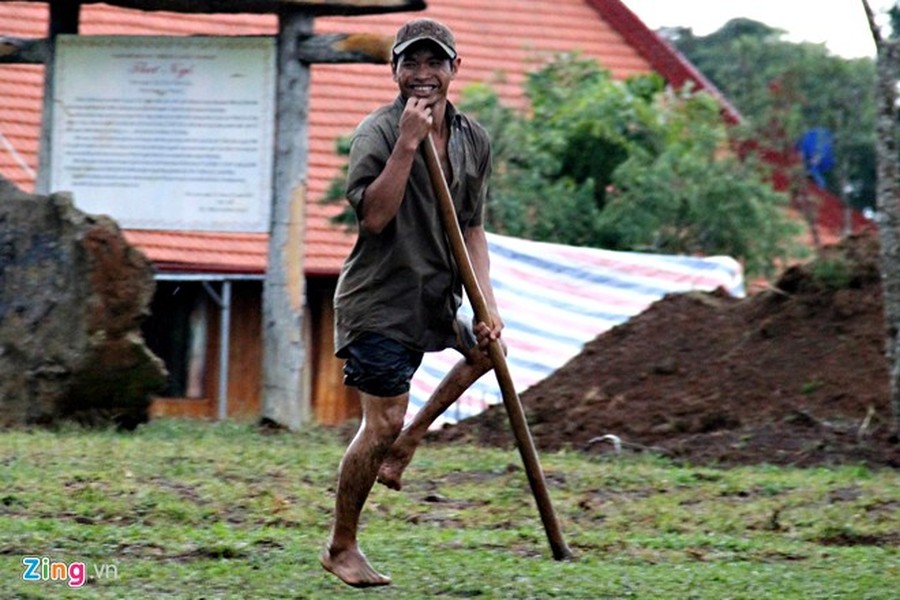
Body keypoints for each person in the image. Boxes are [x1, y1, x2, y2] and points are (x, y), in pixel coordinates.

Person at [320, 18, 504, 588]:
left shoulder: (474, 139)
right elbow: (374, 217)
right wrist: (407, 143)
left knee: (487, 352)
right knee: (380, 424)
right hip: (378, 301)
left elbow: (471, 228)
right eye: (411, 63)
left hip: (435, 295)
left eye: (434, 63)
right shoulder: (377, 133)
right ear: (394, 69)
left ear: (454, 68)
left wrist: (486, 304)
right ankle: (341, 546)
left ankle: (408, 447)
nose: (423, 75)